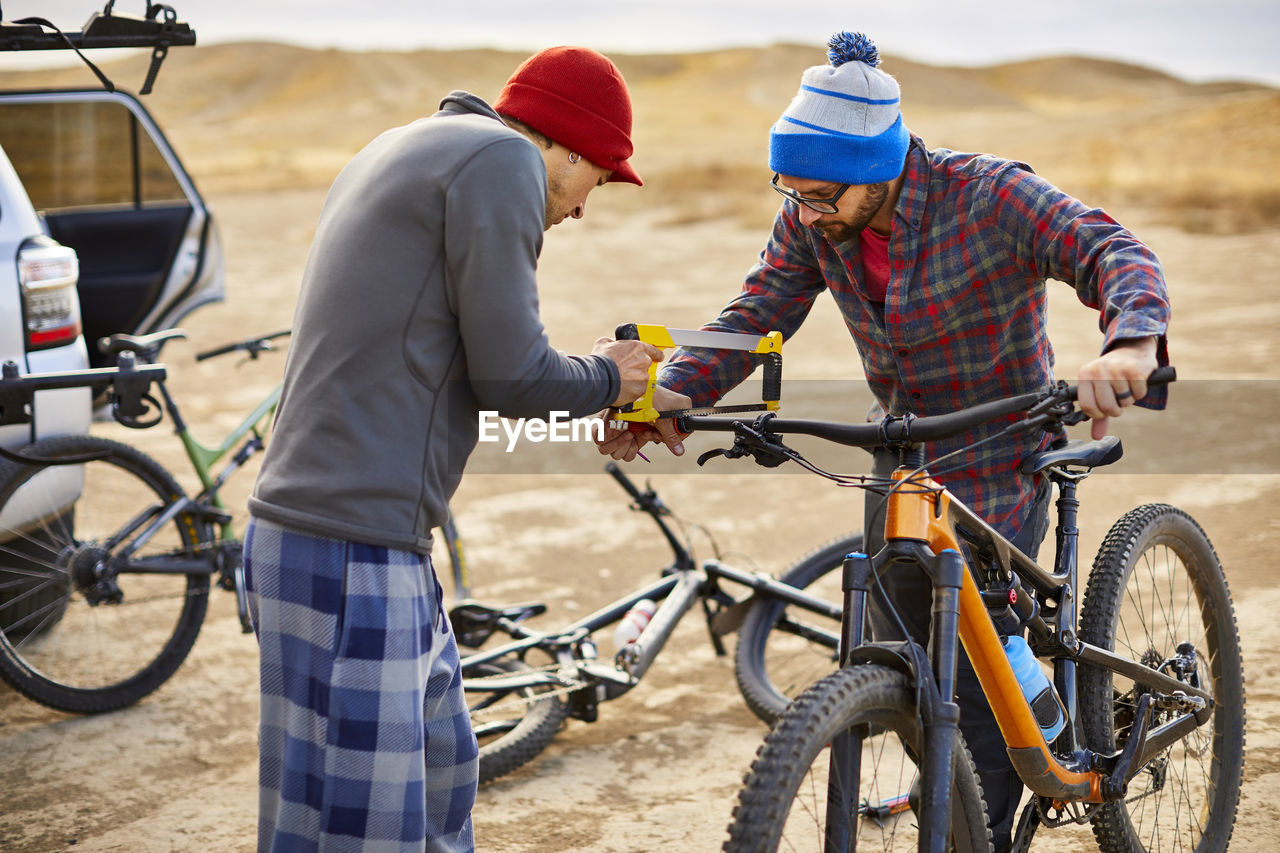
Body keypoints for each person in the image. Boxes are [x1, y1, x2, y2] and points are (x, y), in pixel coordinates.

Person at [597, 32, 1169, 851]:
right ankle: (956, 784)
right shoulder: (814, 217)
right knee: (899, 655)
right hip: (902, 452)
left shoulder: (989, 195)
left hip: (1001, 448)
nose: (805, 212)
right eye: (791, 192)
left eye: (821, 195)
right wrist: (671, 397)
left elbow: (1109, 247)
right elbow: (756, 313)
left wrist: (1130, 344)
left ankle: (984, 824)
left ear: (880, 167)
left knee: (975, 675)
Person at [245, 46, 661, 852]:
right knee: (363, 833)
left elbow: (461, 360)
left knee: (439, 783)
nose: (584, 207)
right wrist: (611, 377)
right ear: (565, 145)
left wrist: (600, 391)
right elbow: (513, 374)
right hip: (350, 549)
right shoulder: (503, 159)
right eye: (600, 178)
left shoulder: (405, 144)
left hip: (353, 540)